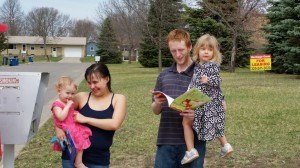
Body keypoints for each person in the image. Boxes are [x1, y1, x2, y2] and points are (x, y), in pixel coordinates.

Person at [151, 29, 206, 167]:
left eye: (181, 50)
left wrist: (196, 113)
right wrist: (157, 103)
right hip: (166, 140)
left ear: (190, 46)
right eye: (173, 51)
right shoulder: (163, 75)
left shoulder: (202, 74)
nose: (178, 54)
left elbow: (217, 106)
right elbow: (156, 111)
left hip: (194, 144)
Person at [55, 63, 126, 168]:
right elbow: (59, 109)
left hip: (98, 160)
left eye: (95, 82)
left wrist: (86, 119)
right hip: (71, 156)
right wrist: (58, 129)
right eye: (89, 83)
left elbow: (114, 124)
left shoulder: (118, 99)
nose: (92, 86)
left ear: (107, 79)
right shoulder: (81, 97)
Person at [182, 34, 233, 163]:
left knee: (187, 122)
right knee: (213, 123)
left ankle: (191, 150)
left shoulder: (212, 66)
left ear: (214, 52)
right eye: (203, 48)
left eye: (210, 49)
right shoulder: (198, 65)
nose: (206, 52)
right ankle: (225, 146)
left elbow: (218, 81)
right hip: (201, 100)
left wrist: (208, 80)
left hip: (202, 101)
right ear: (197, 50)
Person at [52, 76, 92, 168]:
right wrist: (67, 106)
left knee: (82, 139)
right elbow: (61, 117)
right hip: (67, 128)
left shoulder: (67, 102)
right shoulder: (56, 104)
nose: (70, 96)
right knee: (75, 143)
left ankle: (78, 162)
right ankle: (76, 162)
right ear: (59, 91)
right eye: (67, 93)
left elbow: (70, 114)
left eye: (72, 93)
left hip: (73, 125)